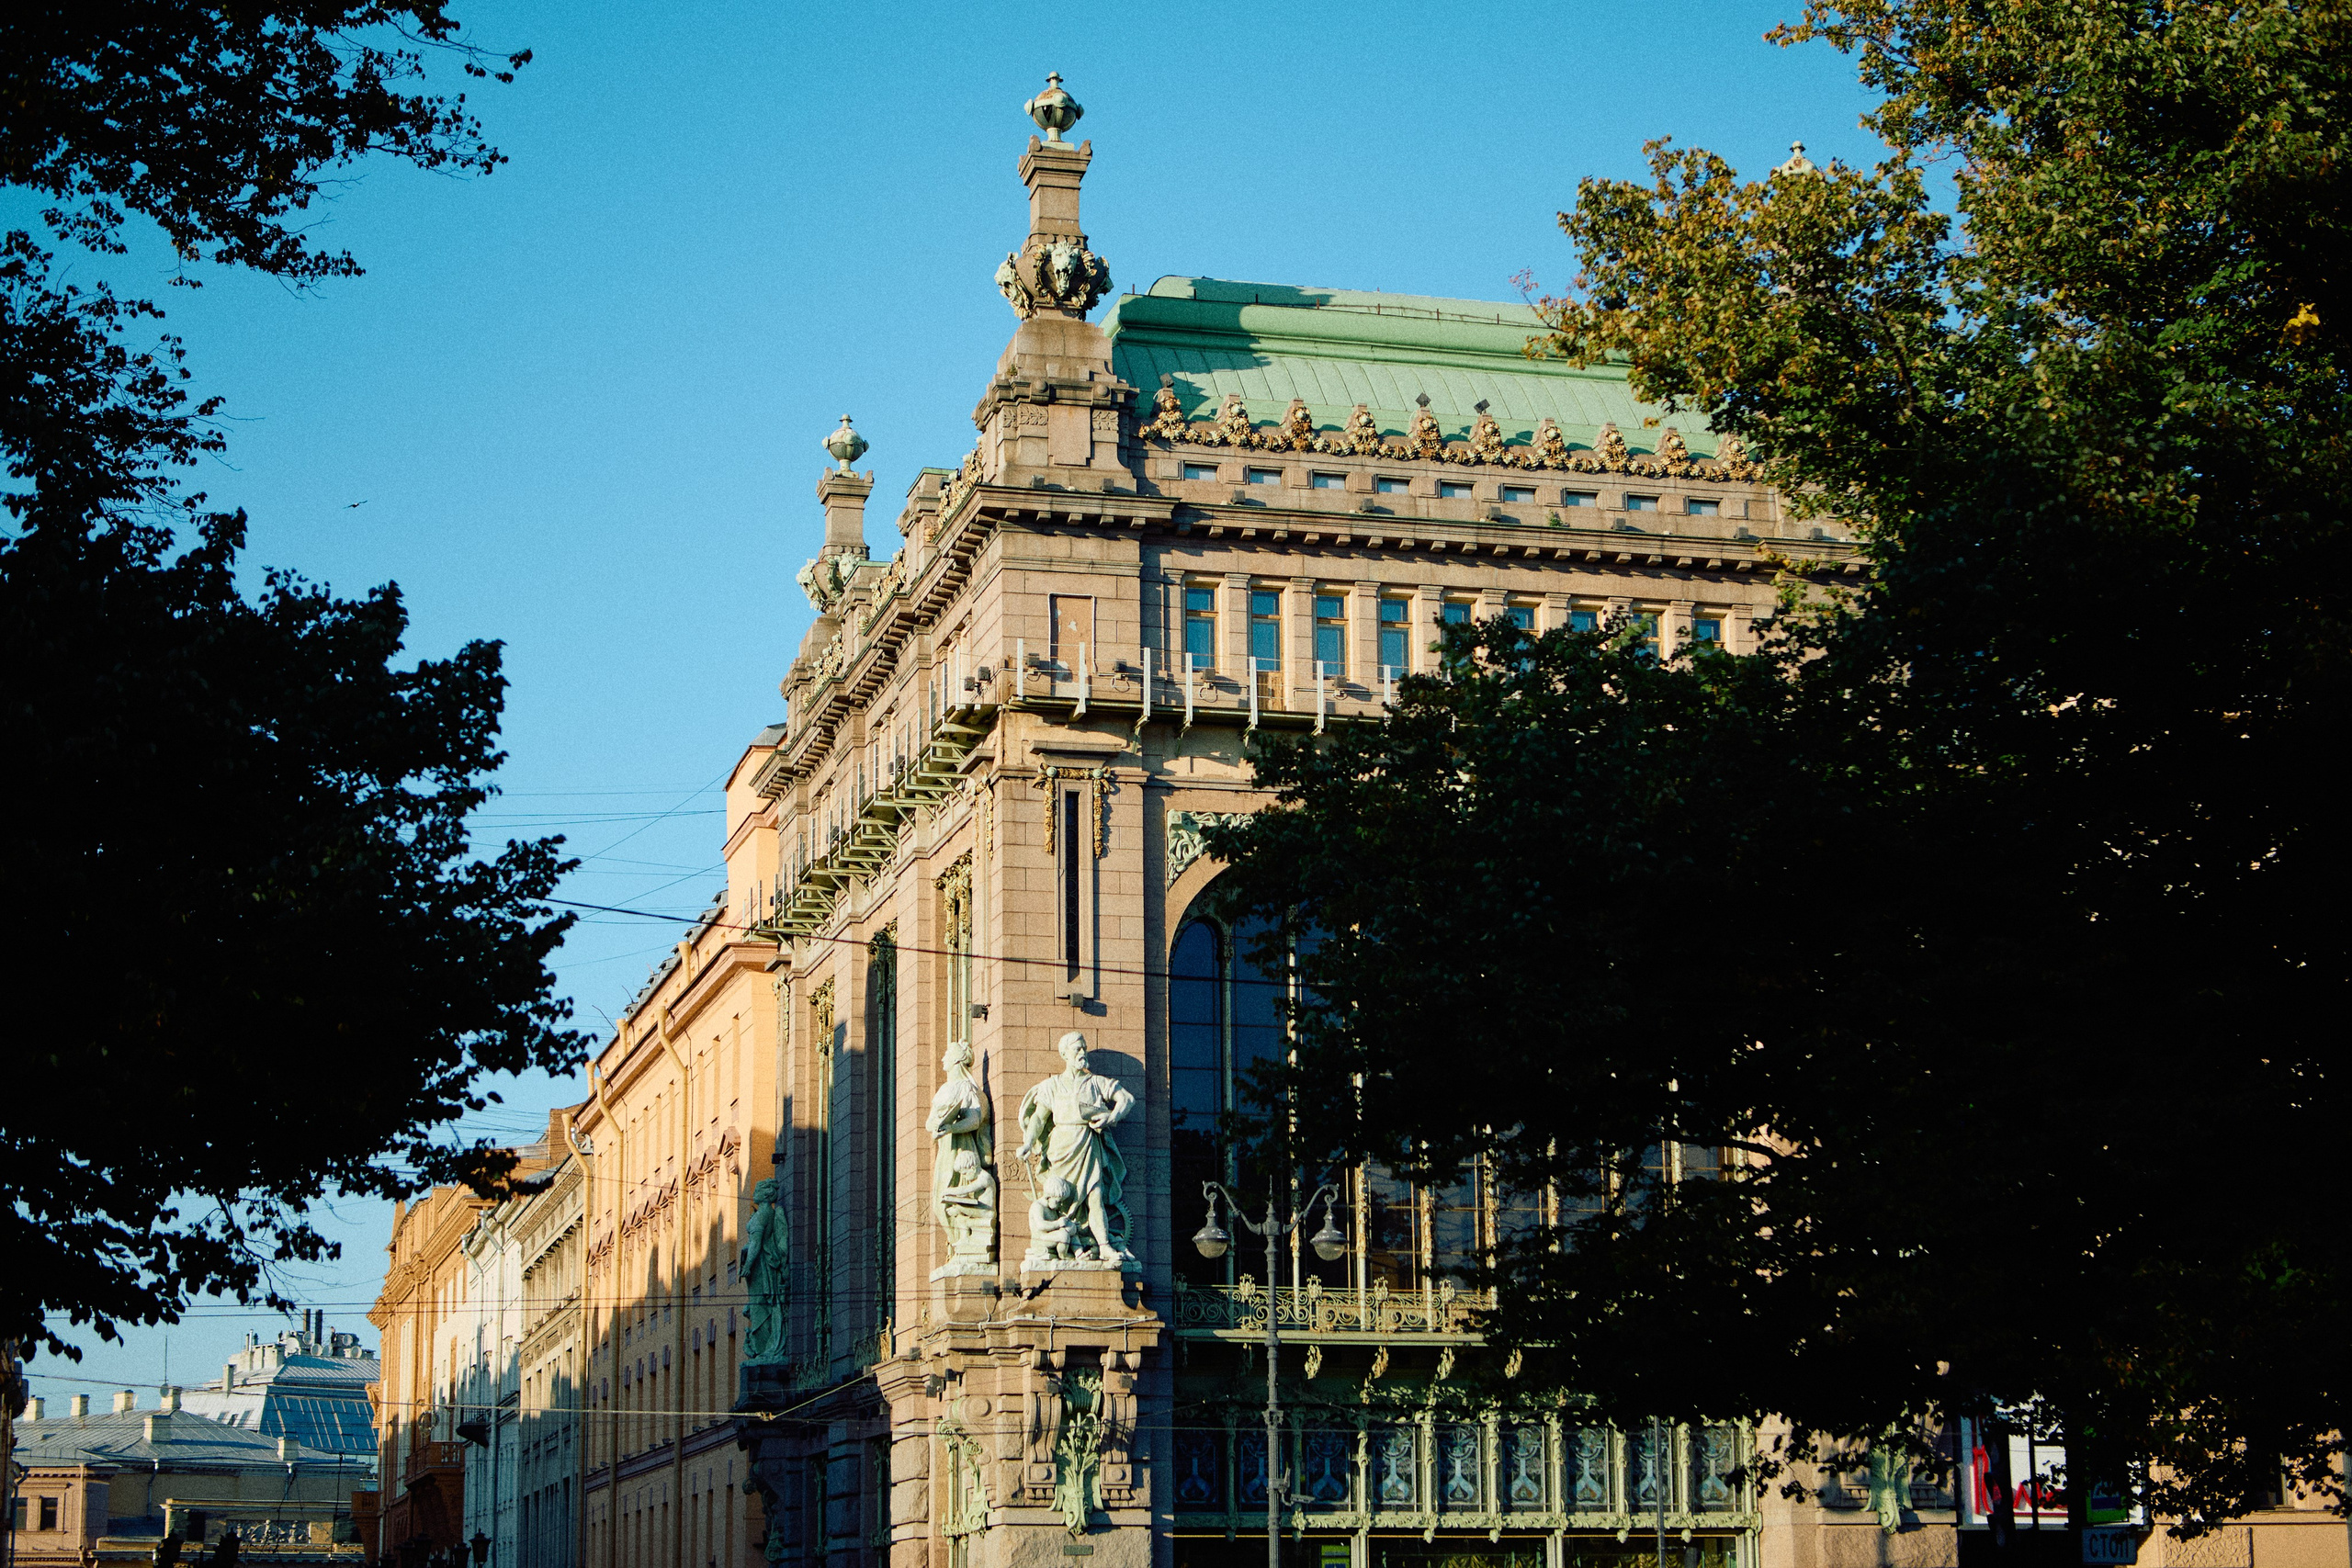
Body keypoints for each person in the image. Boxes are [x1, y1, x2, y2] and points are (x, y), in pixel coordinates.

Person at [1017, 1032, 1136, 1266]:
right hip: (1061, 1148)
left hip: (1088, 1145)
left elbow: (1127, 1099)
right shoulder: (1051, 1086)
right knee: (1060, 1199)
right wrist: (1028, 1143)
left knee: (1095, 1197)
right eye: (1077, 1049)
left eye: (1084, 1048)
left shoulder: (1096, 1082)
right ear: (1064, 1054)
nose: (1082, 1053)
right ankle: (1069, 1243)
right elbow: (1039, 1119)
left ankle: (1103, 1246)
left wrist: (1111, 1117)